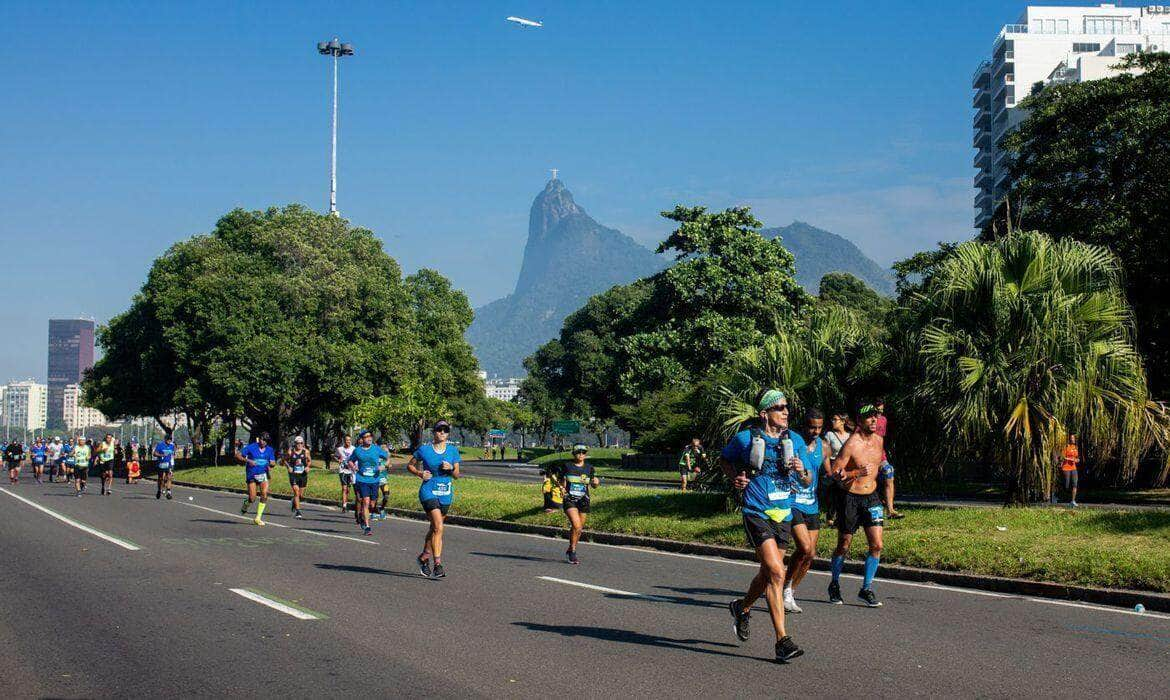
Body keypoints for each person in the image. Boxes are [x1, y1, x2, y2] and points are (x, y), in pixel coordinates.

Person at [722, 389, 810, 663]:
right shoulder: (745, 438)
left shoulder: (794, 439)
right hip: (756, 510)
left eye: (787, 408)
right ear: (764, 414)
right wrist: (736, 478)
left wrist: (799, 471)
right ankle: (782, 641)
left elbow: (807, 481)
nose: (786, 412)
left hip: (782, 513)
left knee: (766, 574)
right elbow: (724, 460)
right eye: (780, 408)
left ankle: (742, 607)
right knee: (776, 571)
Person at [827, 401, 887, 608]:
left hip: (871, 497)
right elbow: (836, 472)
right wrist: (855, 473)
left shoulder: (879, 441)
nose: (873, 419)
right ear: (860, 421)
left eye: (875, 416)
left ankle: (866, 588)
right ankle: (834, 583)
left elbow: (879, 464)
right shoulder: (851, 444)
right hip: (850, 498)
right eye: (869, 416)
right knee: (844, 544)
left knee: (877, 545)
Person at [783, 409, 831, 614]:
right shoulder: (791, 442)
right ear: (804, 425)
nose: (816, 431)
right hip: (793, 503)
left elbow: (828, 470)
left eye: (819, 427)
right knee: (803, 547)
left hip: (812, 504)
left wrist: (839, 474)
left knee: (810, 554)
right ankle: (783, 588)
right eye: (812, 427)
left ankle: (789, 590)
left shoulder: (824, 447)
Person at [406, 420, 461, 578]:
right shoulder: (424, 450)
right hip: (428, 491)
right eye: (439, 429)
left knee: (435, 528)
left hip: (445, 493)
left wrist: (451, 468)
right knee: (438, 527)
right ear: (434, 432)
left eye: (445, 430)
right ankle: (438, 564)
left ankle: (423, 558)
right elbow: (410, 465)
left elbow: (457, 475)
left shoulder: (452, 451)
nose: (442, 432)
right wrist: (420, 473)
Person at [559, 444, 600, 565]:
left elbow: (593, 484)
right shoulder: (567, 466)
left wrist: (596, 483)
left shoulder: (589, 468)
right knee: (576, 525)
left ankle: (571, 549)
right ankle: (572, 552)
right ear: (573, 453)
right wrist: (562, 488)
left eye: (583, 452)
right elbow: (561, 481)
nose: (581, 454)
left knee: (579, 529)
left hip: (584, 500)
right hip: (569, 499)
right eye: (578, 452)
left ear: (586, 454)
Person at [347, 430, 389, 536]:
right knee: (365, 501)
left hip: (374, 479)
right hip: (362, 479)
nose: (369, 438)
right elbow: (350, 461)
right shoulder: (358, 451)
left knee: (372, 504)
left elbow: (387, 458)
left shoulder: (376, 449)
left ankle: (361, 514)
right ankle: (367, 527)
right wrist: (353, 467)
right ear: (362, 439)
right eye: (366, 437)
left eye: (370, 436)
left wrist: (383, 466)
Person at [236, 433, 276, 526]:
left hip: (263, 474)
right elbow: (238, 455)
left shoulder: (270, 450)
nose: (264, 442)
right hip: (252, 474)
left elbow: (273, 462)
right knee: (252, 498)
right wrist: (248, 461)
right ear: (259, 439)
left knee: (264, 494)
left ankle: (258, 518)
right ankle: (246, 503)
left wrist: (272, 464)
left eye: (266, 440)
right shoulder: (251, 447)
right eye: (262, 439)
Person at [873, 399, 903, 519]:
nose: (879, 413)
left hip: (880, 455)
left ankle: (890, 509)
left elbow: (881, 438)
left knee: (889, 471)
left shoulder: (883, 420)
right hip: (866, 456)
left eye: (882, 410)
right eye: (877, 410)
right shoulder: (865, 421)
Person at [285, 436, 311, 519]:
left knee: (300, 495)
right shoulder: (290, 452)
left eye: (301, 443)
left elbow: (309, 461)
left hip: (303, 475)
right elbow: (284, 460)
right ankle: (298, 511)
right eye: (297, 443)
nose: (299, 445)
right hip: (294, 474)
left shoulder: (306, 452)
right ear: (295, 444)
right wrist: (288, 467)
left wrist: (308, 467)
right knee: (296, 491)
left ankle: (294, 502)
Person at [335, 435, 356, 512]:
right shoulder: (340, 449)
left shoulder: (354, 449)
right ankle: (344, 506)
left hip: (351, 471)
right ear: (344, 441)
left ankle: (346, 503)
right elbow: (335, 456)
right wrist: (338, 460)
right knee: (344, 488)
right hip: (343, 470)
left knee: (348, 489)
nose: (348, 441)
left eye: (349, 440)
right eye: (347, 440)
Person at [1059, 434, 1080, 507]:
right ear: (1069, 439)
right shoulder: (1066, 447)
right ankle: (1061, 497)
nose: (1073, 439)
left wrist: (1077, 460)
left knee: (1075, 484)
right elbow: (1062, 457)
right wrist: (1069, 459)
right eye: (1071, 438)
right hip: (1066, 468)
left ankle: (1073, 501)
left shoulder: (1075, 447)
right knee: (1067, 485)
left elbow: (1077, 458)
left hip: (1073, 468)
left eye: (1074, 438)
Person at [154, 434, 176, 499]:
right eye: (168, 439)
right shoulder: (160, 445)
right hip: (160, 464)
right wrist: (161, 455)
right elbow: (154, 453)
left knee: (169, 477)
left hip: (168, 464)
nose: (169, 441)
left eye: (170, 439)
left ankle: (168, 492)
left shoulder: (172, 446)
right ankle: (159, 490)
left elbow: (172, 453)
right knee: (161, 479)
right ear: (165, 439)